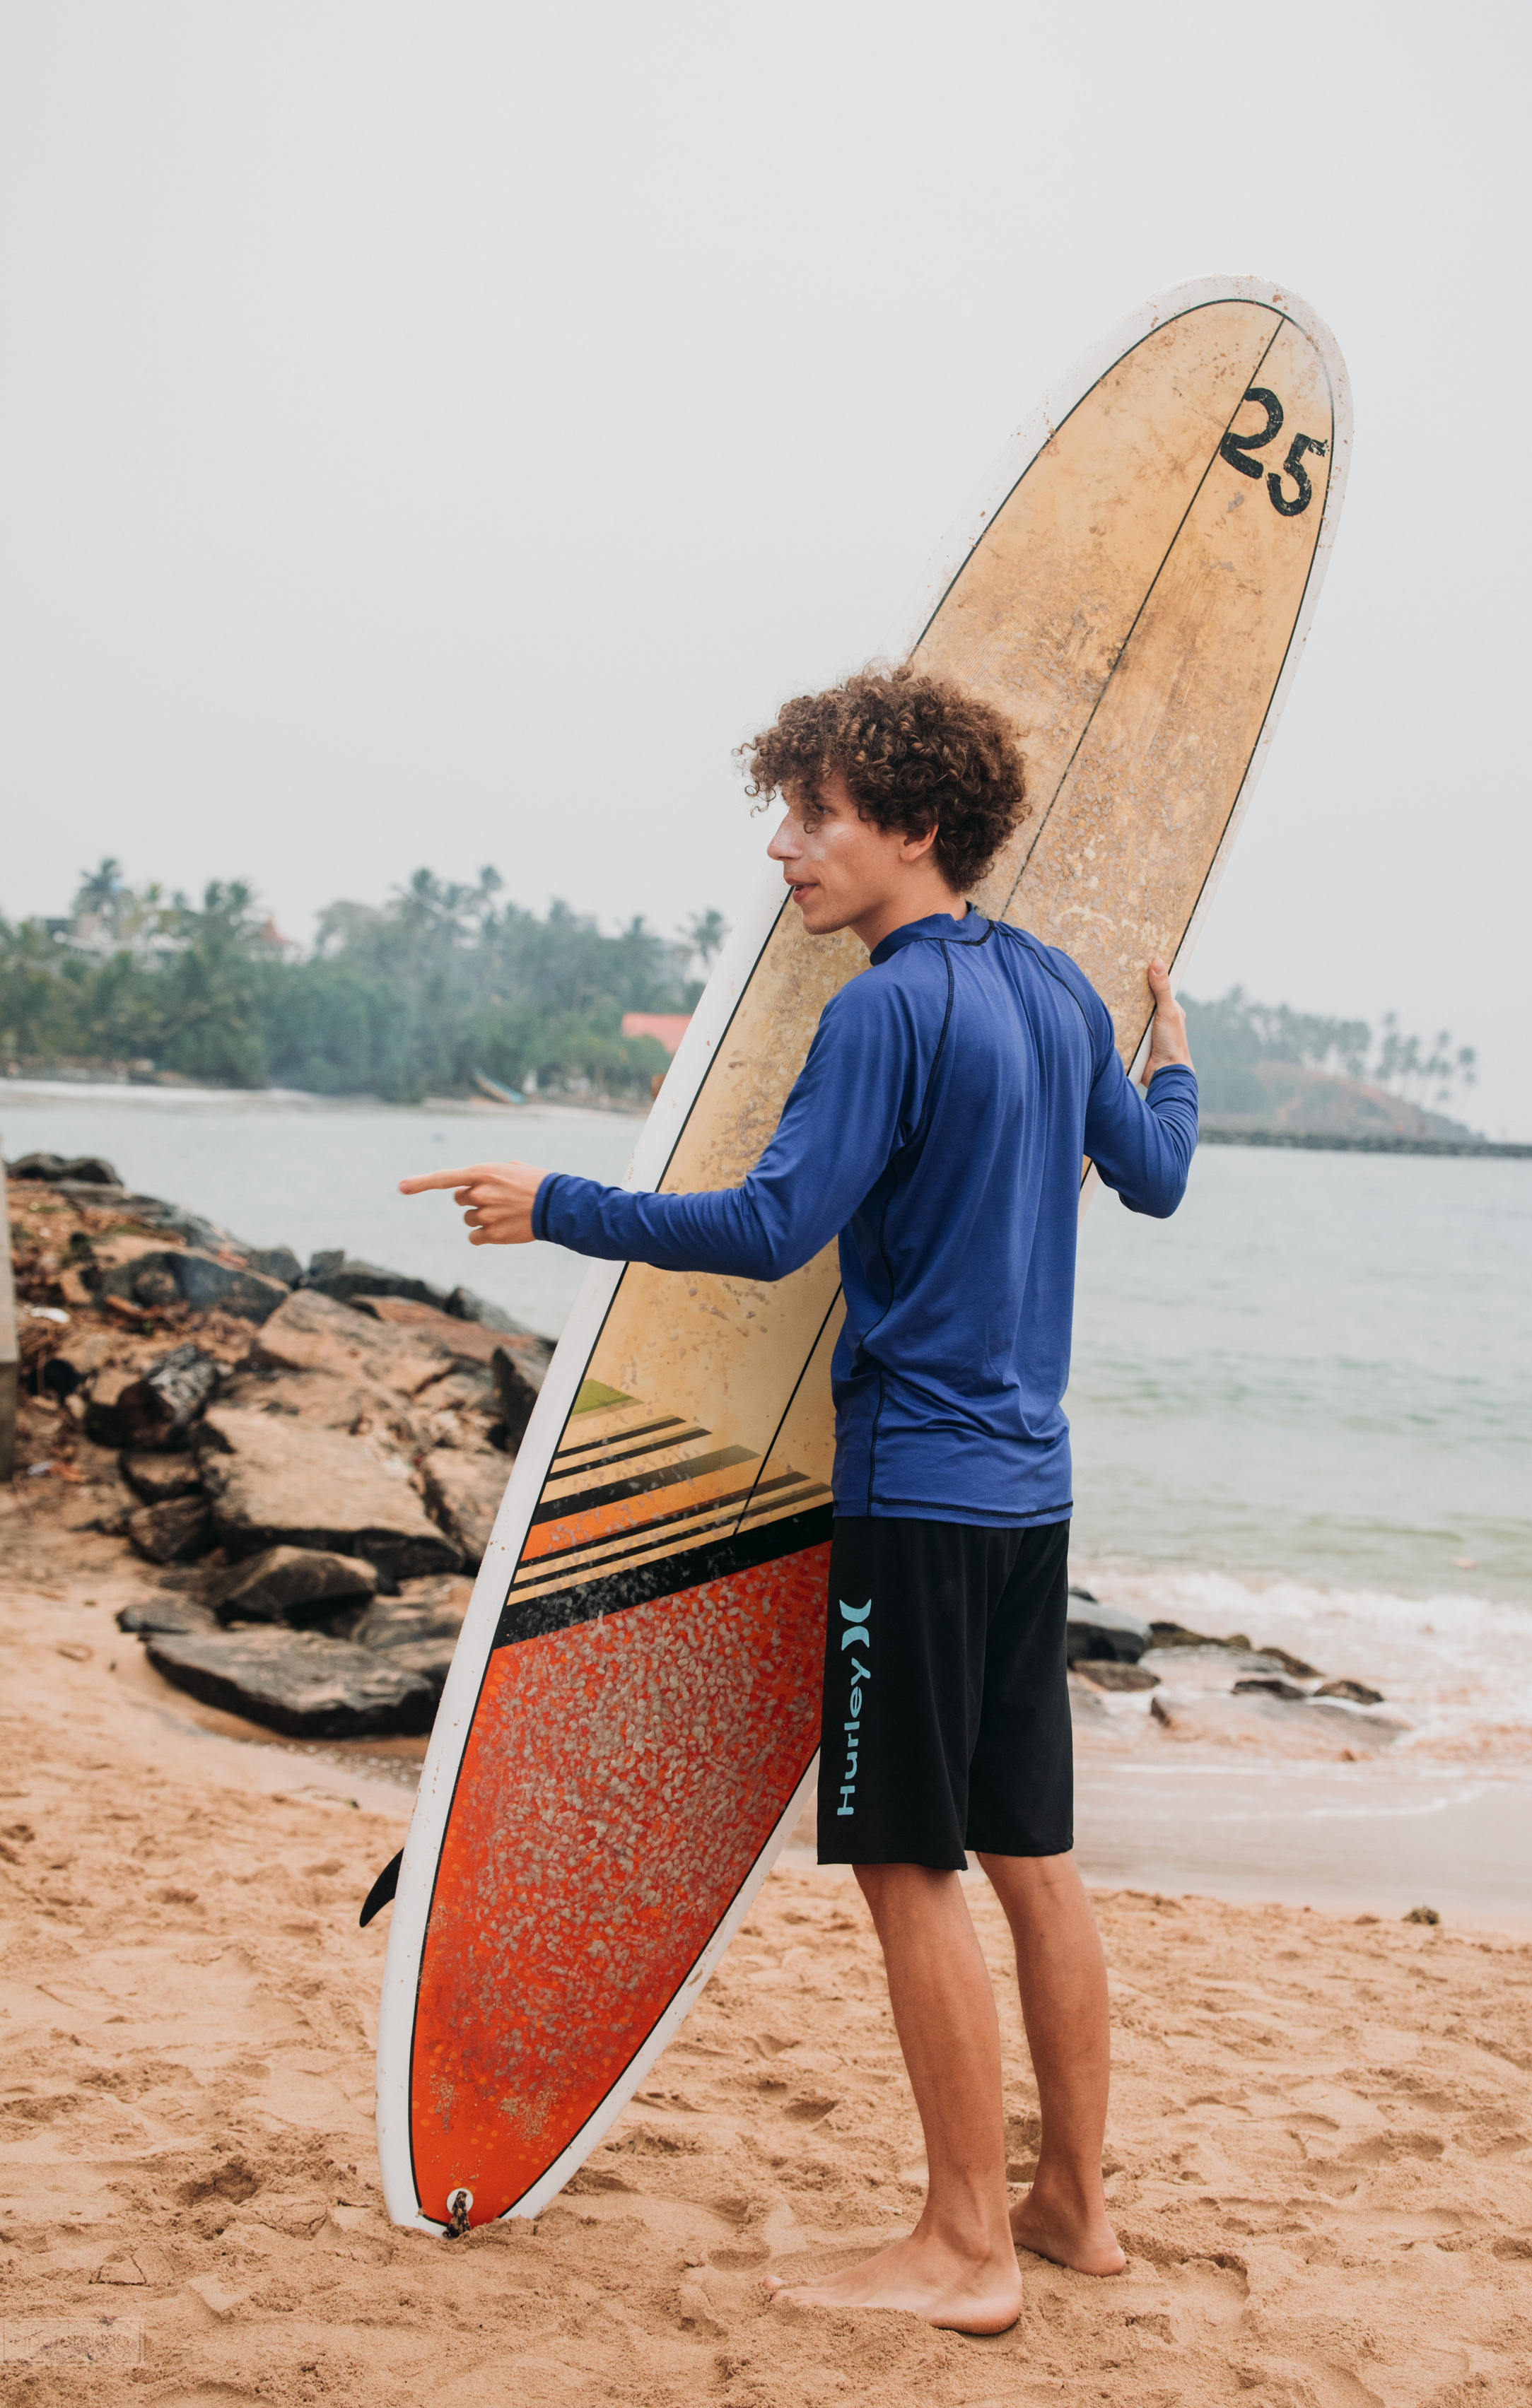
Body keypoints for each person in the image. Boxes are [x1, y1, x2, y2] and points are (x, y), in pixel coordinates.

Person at [401, 664, 1198, 2334]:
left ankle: (967, 2245)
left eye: (814, 814)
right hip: (1029, 1492)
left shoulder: (884, 1010)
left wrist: (557, 1200)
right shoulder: (1055, 992)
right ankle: (1074, 2209)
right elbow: (1157, 1175)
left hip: (911, 1497)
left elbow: (773, 1229)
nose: (783, 847)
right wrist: (1172, 1065)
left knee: (909, 1865)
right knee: (1033, 1856)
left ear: (910, 826)